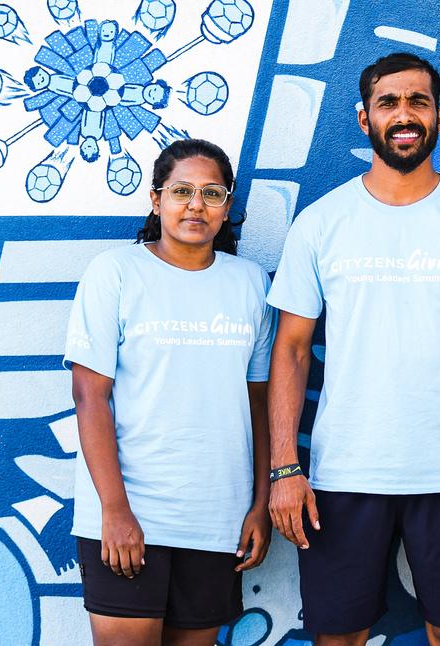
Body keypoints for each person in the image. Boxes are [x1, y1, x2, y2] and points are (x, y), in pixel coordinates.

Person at [266, 52, 440, 646]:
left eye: (418, 101)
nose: (404, 114)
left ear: (439, 116)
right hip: (345, 473)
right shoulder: (321, 222)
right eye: (388, 102)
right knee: (338, 636)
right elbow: (290, 350)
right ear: (365, 118)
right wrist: (285, 468)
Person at [64, 139, 276, 646]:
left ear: (227, 206)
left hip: (216, 520)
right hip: (128, 517)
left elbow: (259, 407)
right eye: (182, 191)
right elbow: (90, 397)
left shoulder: (251, 284)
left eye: (212, 193)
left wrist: (260, 505)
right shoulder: (115, 272)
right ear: (157, 199)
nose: (196, 205)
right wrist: (114, 510)